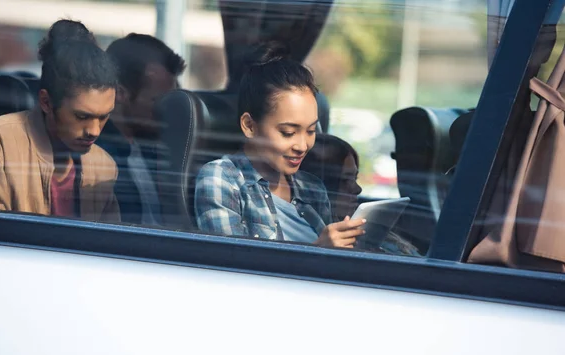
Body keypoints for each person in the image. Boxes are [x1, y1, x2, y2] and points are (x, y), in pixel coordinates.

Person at [194, 43, 365, 248]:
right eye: (288, 133)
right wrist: (318, 251)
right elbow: (234, 266)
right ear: (249, 126)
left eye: (311, 131)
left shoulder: (312, 189)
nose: (302, 145)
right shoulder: (223, 180)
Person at [0, 19, 120, 222]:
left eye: (104, 117)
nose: (94, 131)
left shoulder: (103, 167)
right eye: (82, 116)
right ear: (46, 102)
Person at [96, 33, 187, 225]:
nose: (167, 110)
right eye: (159, 101)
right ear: (120, 93)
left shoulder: (156, 151)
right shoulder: (98, 161)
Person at [301, 134, 420, 256]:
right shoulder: (319, 240)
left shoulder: (372, 237)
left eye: (355, 178)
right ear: (320, 186)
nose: (357, 189)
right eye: (345, 180)